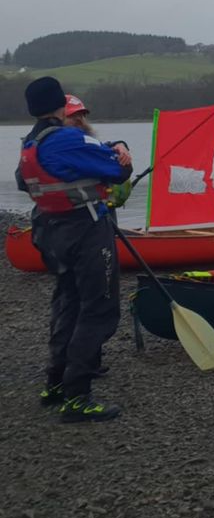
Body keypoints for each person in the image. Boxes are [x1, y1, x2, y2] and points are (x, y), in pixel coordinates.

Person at [15, 77, 132, 422]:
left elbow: (25, 181)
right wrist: (122, 152)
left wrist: (112, 145)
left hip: (50, 232)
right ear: (60, 106)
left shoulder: (30, 144)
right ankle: (77, 395)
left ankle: (55, 383)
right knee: (98, 308)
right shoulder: (65, 138)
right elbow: (118, 169)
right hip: (84, 231)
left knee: (68, 301)